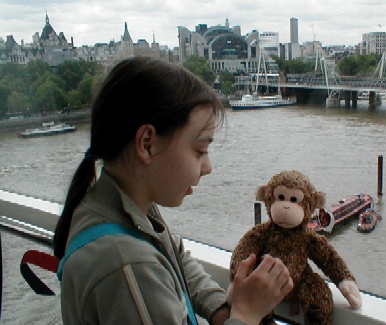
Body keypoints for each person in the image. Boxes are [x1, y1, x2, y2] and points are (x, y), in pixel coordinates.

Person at [53, 57, 293, 325]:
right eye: (200, 150)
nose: (208, 166)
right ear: (147, 144)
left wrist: (220, 309)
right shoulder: (127, 264)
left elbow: (175, 256)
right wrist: (245, 315)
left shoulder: (119, 204)